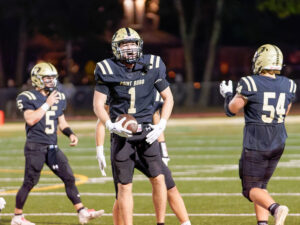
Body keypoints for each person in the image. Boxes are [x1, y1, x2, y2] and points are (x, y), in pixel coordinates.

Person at [93, 27, 174, 225]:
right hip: (122, 134)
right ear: (116, 48)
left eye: (132, 44)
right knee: (124, 186)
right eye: (124, 44)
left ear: (139, 46)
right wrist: (110, 125)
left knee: (159, 179)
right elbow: (97, 105)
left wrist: (162, 124)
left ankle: (160, 223)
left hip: (147, 131)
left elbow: (168, 98)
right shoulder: (106, 68)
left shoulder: (153, 64)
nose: (129, 48)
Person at [13, 62, 104, 225]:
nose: (51, 81)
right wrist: (47, 103)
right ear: (37, 79)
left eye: (52, 78)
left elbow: (61, 122)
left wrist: (70, 134)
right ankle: (17, 217)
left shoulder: (58, 96)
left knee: (69, 177)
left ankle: (82, 211)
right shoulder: (28, 96)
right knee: (30, 181)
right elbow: (31, 119)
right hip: (35, 146)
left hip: (52, 147)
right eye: (47, 78)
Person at [219, 44, 296, 225]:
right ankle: (263, 223)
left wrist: (228, 95)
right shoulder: (289, 85)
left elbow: (232, 109)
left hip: (257, 141)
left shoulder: (250, 82)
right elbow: (284, 112)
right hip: (278, 140)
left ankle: (276, 209)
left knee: (250, 189)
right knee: (261, 187)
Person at [95, 110, 191, 225]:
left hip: (146, 145)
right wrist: (99, 148)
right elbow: (102, 118)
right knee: (121, 194)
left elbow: (156, 117)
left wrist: (163, 149)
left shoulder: (152, 93)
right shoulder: (117, 94)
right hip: (122, 146)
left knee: (168, 184)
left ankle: (186, 223)